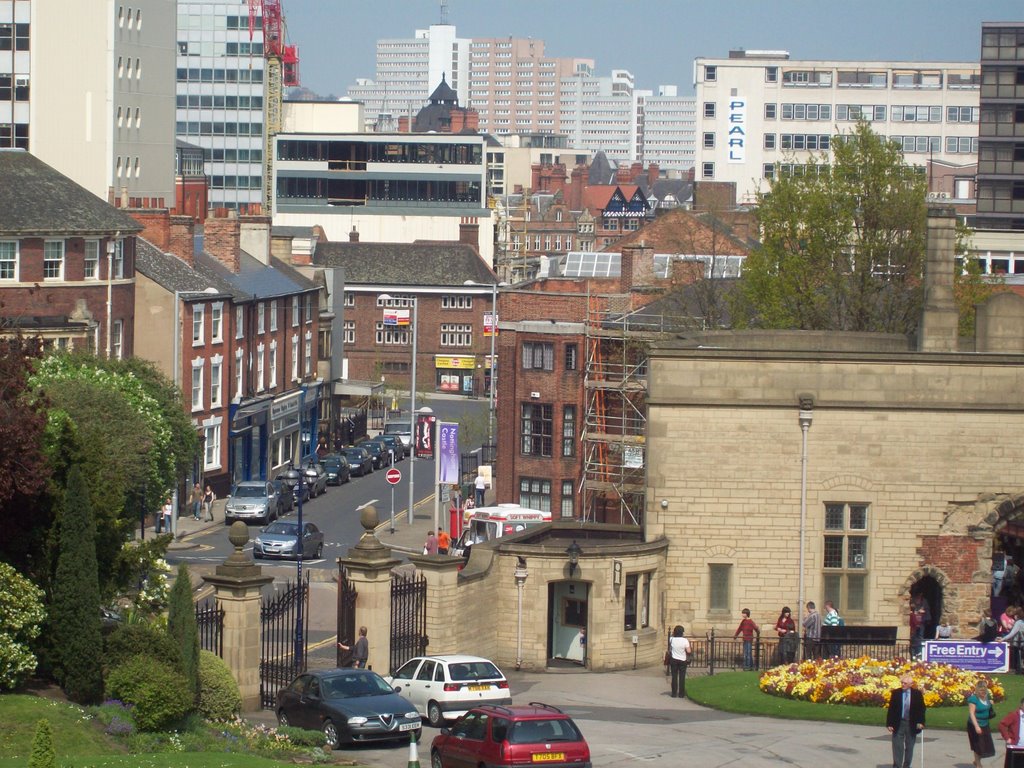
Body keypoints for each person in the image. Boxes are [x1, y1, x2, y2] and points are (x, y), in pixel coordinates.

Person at [886, 673, 925, 768]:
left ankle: (906, 765)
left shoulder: (917, 694)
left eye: (905, 683)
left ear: (911, 684)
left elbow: (921, 708)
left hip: (911, 723)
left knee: (910, 746)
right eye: (902, 683)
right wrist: (889, 723)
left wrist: (921, 722)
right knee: (897, 746)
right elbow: (891, 709)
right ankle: (897, 765)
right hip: (898, 722)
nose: (902, 685)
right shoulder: (896, 693)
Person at [968, 679, 997, 768]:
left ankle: (976, 760)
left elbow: (987, 706)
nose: (983, 692)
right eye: (981, 691)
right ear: (977, 690)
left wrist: (990, 703)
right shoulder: (973, 699)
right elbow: (972, 713)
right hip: (975, 724)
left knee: (986, 746)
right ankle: (978, 764)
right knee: (978, 746)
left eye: (984, 690)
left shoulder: (986, 697)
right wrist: (976, 726)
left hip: (985, 724)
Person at [999, 697, 1024, 767]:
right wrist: (1007, 738)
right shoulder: (1014, 715)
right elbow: (1002, 725)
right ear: (1021, 705)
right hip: (1015, 747)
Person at [667, 625, 691, 699]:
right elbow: (689, 651)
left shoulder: (671, 639)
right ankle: (681, 694)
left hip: (674, 660)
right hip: (682, 660)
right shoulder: (685, 640)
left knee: (674, 677)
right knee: (682, 677)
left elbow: (670, 640)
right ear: (682, 632)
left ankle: (674, 693)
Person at [999, 608, 1024, 674]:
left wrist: (1003, 639)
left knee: (1018, 658)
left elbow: (1012, 633)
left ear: (1017, 615)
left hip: (1019, 643)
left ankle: (1018, 670)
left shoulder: (1019, 623)